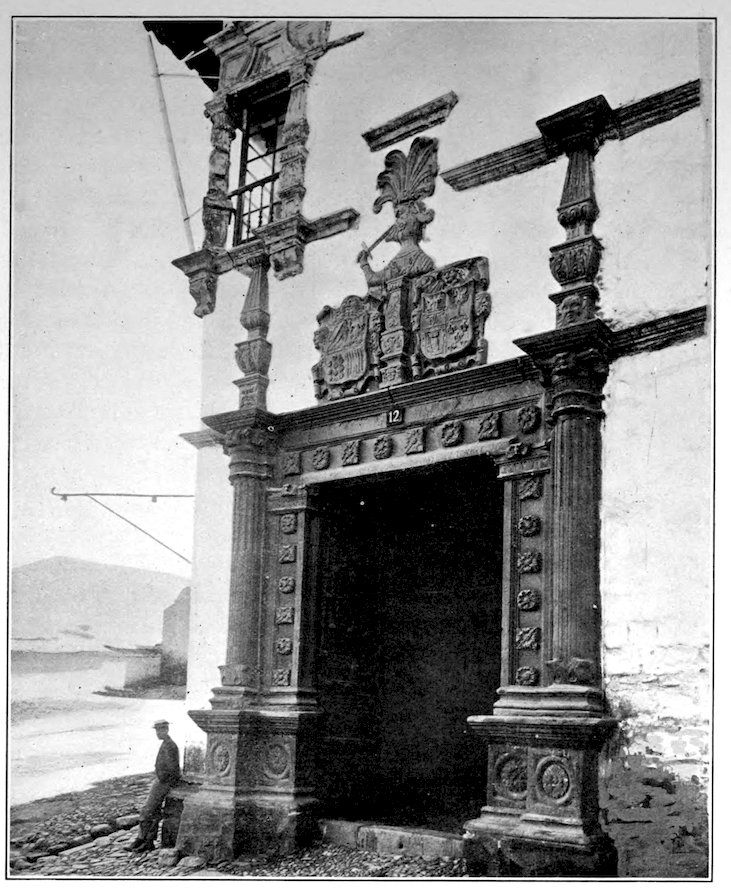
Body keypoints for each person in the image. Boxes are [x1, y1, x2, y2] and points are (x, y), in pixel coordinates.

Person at [126, 720, 181, 853]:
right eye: (157, 730)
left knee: (147, 810)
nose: (158, 733)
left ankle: (143, 840)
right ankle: (145, 841)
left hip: (163, 782)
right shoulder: (166, 744)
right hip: (161, 780)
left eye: (160, 730)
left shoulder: (170, 746)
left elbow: (173, 769)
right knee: (153, 811)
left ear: (166, 730)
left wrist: (165, 782)